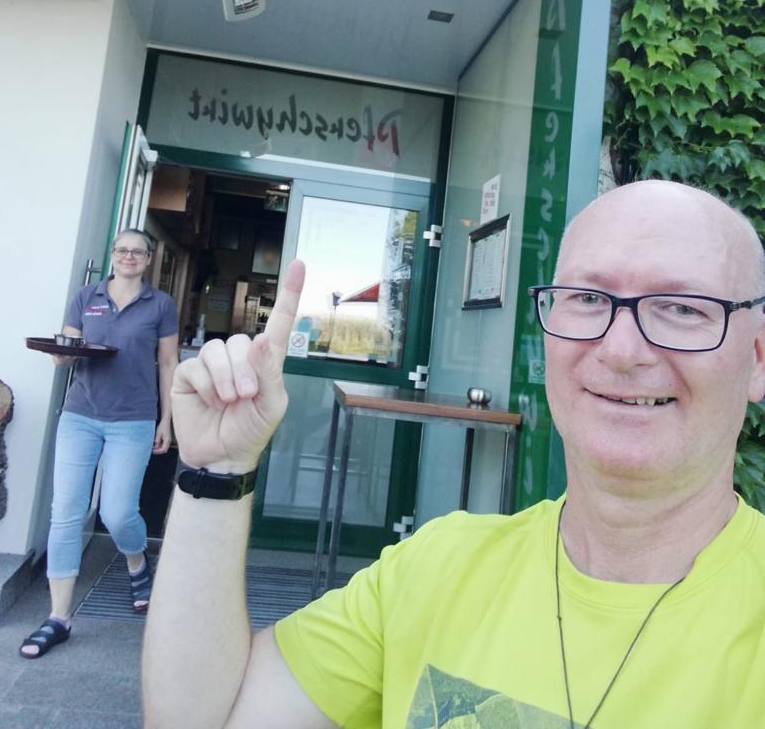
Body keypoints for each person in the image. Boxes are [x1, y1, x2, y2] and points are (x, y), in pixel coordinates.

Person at [142, 181, 765, 728]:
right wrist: (217, 471)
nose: (621, 349)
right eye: (588, 299)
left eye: (682, 308)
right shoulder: (435, 571)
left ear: (758, 357)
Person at [21, 228, 178, 659]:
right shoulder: (85, 297)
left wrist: (167, 419)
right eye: (122, 250)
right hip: (80, 416)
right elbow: (67, 350)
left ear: (148, 259)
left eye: (138, 252)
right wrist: (60, 354)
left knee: (118, 513)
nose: (129, 256)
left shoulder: (160, 304)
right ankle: (58, 617)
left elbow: (168, 363)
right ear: (112, 254)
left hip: (133, 419)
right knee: (66, 513)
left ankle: (136, 561)